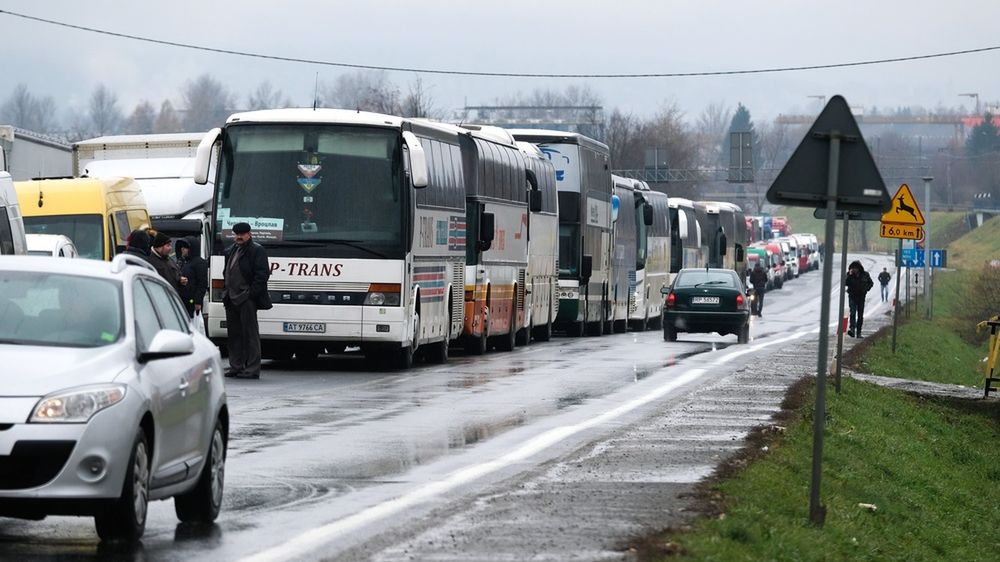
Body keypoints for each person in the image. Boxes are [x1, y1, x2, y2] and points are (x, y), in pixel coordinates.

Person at [222, 222, 271, 379]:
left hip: (246, 298)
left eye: (242, 234)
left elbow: (262, 275)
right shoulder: (231, 250)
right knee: (234, 335)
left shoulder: (256, 250)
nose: (239, 237)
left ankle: (252, 368)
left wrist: (250, 295)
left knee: (250, 335)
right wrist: (226, 292)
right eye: (236, 234)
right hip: (231, 298)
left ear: (249, 234)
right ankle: (236, 366)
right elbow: (226, 273)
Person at [176, 237, 208, 318]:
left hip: (192, 302)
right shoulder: (182, 261)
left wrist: (198, 302)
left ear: (192, 249)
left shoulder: (200, 263)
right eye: (182, 247)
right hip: (182, 300)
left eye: (185, 247)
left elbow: (202, 283)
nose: (182, 249)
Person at [845, 260, 874, 337]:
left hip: (861, 297)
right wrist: (849, 275)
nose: (854, 269)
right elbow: (845, 283)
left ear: (859, 268)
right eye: (853, 268)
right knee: (853, 313)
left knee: (860, 315)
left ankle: (859, 332)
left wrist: (866, 289)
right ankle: (852, 329)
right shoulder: (849, 275)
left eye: (856, 268)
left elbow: (871, 283)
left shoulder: (865, 274)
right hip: (852, 296)